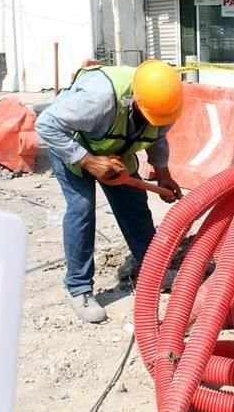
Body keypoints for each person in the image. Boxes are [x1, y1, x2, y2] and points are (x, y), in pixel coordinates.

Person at [35, 60, 184, 323]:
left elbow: (156, 136)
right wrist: (88, 160)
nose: (157, 122)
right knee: (82, 209)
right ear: (134, 99)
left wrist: (164, 174)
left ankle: (153, 271)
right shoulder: (99, 98)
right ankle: (78, 288)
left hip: (115, 147)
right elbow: (47, 124)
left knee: (134, 205)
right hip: (74, 146)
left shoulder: (164, 106)